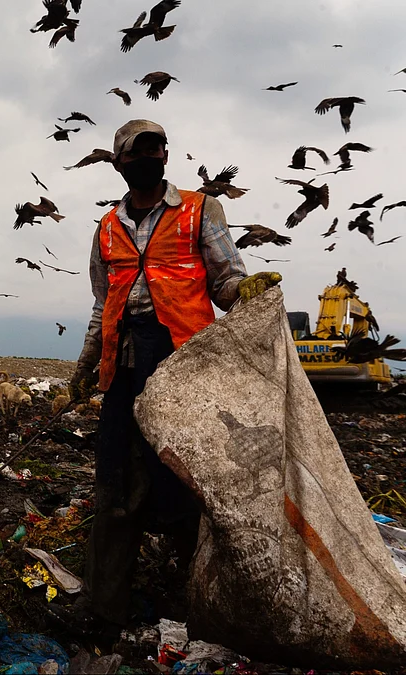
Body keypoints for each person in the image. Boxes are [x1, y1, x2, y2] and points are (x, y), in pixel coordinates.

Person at [61, 120, 281, 630]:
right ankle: (102, 610)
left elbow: (227, 282)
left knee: (187, 481)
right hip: (124, 365)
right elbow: (103, 304)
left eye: (157, 147)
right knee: (114, 484)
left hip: (183, 368)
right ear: (120, 164)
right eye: (138, 152)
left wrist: (243, 294)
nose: (150, 156)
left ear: (166, 155)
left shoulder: (201, 210)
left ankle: (210, 607)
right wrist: (83, 368)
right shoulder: (107, 226)